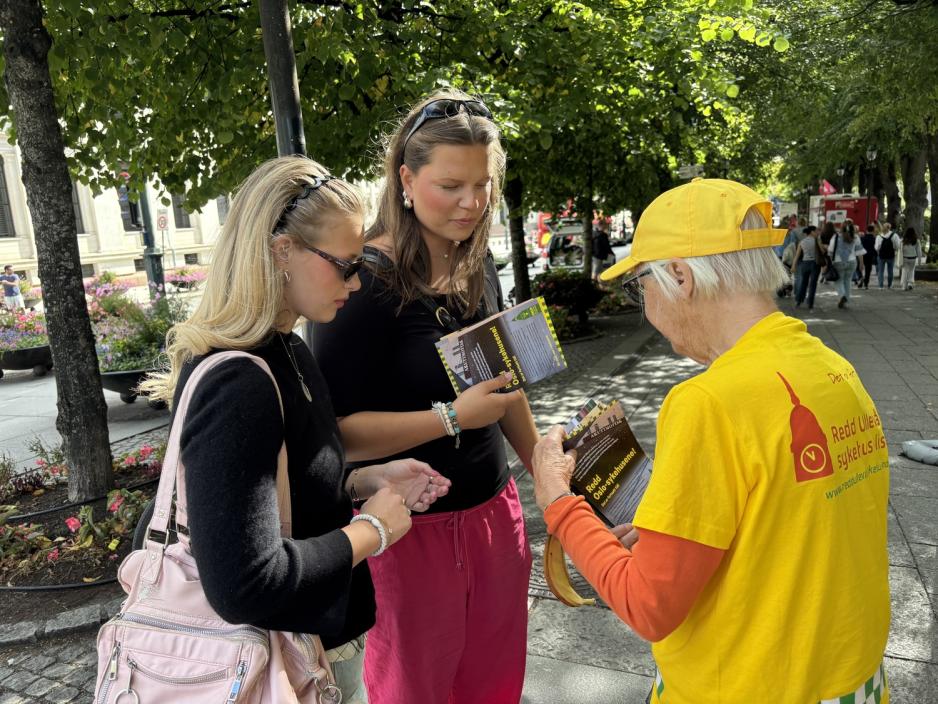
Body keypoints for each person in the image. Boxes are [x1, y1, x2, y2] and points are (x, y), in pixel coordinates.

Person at [530, 178, 890, 704]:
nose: (644, 307)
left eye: (639, 286)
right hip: (848, 677)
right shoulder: (831, 367)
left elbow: (648, 606)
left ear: (680, 275)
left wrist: (557, 501)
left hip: (744, 684)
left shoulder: (708, 401)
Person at [139, 156, 451, 701]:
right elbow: (246, 583)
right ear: (282, 251)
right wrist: (371, 532)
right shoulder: (239, 381)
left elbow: (285, 484)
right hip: (275, 661)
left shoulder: (289, 347)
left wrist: (362, 482)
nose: (357, 283)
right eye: (346, 264)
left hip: (314, 645)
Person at [314, 90, 539, 704]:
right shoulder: (362, 284)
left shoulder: (477, 263)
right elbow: (332, 433)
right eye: (451, 185)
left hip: (495, 511)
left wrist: (544, 464)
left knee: (495, 681)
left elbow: (503, 383)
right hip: (410, 533)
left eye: (483, 184)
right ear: (406, 179)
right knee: (416, 688)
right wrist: (448, 418)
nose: (471, 203)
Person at [827, 219, 866, 308]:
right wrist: (861, 264)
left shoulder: (836, 236)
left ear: (842, 227)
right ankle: (846, 301)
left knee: (838, 281)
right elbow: (859, 252)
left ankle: (842, 296)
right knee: (848, 281)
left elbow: (830, 250)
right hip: (852, 262)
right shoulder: (855, 237)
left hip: (838, 262)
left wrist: (830, 261)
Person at [790, 225, 821, 309]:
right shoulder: (817, 241)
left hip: (805, 263)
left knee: (804, 283)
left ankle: (799, 301)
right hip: (815, 264)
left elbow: (797, 255)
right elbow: (822, 251)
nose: (818, 233)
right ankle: (810, 303)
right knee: (813, 284)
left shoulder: (802, 242)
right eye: (816, 231)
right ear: (812, 232)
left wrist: (793, 266)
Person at [874, 222, 900, 289]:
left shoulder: (879, 236)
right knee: (890, 270)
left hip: (881, 256)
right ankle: (889, 285)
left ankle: (880, 286)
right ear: (889, 227)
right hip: (891, 255)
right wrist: (895, 250)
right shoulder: (894, 235)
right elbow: (897, 246)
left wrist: (878, 251)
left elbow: (876, 247)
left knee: (881, 271)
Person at [860, 224, 878, 289]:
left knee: (861, 268)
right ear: (873, 231)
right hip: (870, 256)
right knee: (868, 270)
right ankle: (866, 283)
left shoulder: (863, 238)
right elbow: (876, 248)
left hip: (862, 255)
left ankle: (861, 279)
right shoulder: (874, 239)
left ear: (867, 230)